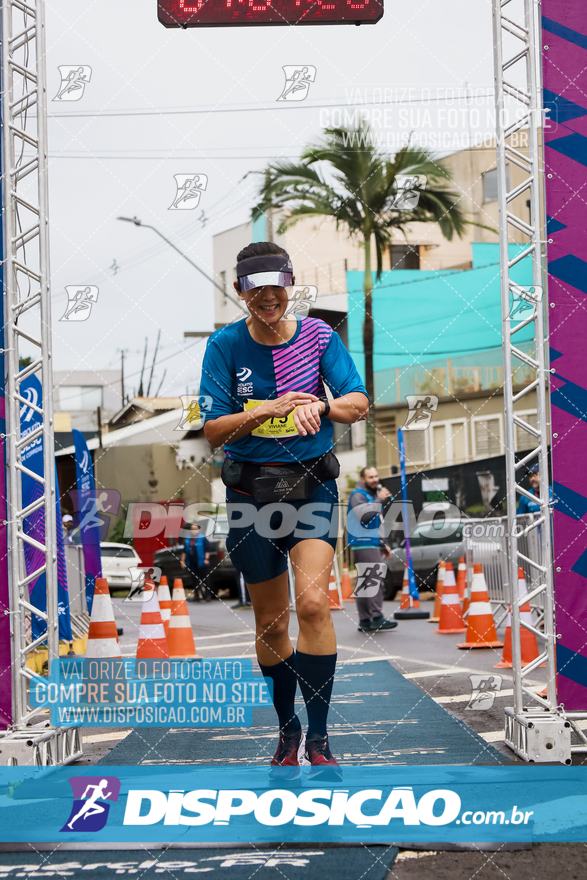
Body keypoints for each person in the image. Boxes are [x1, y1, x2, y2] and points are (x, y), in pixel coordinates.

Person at [200, 241, 369, 781]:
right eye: (256, 287)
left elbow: (358, 404)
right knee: (272, 623)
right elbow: (211, 430)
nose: (268, 296)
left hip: (311, 488)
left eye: (277, 285)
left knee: (315, 605)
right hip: (250, 496)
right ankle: (287, 729)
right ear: (240, 291)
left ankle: (319, 735)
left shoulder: (319, 337)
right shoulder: (224, 347)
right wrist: (264, 411)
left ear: (289, 285)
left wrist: (322, 404)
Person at [347, 466, 398, 633]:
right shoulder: (358, 495)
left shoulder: (371, 496)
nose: (375, 479)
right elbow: (365, 516)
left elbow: (377, 523)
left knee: (365, 582)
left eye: (376, 476)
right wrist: (379, 500)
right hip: (363, 542)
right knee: (375, 579)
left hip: (369, 542)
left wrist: (383, 544)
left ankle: (365, 620)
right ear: (363, 479)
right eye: (370, 477)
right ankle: (376, 617)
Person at [181, 522, 212, 602]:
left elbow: (207, 549)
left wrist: (206, 559)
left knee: (205, 579)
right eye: (192, 529)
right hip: (191, 562)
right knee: (194, 579)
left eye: (195, 529)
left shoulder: (202, 538)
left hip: (201, 562)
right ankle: (197, 595)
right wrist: (183, 561)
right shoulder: (188, 539)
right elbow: (184, 551)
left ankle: (207, 595)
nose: (194, 531)